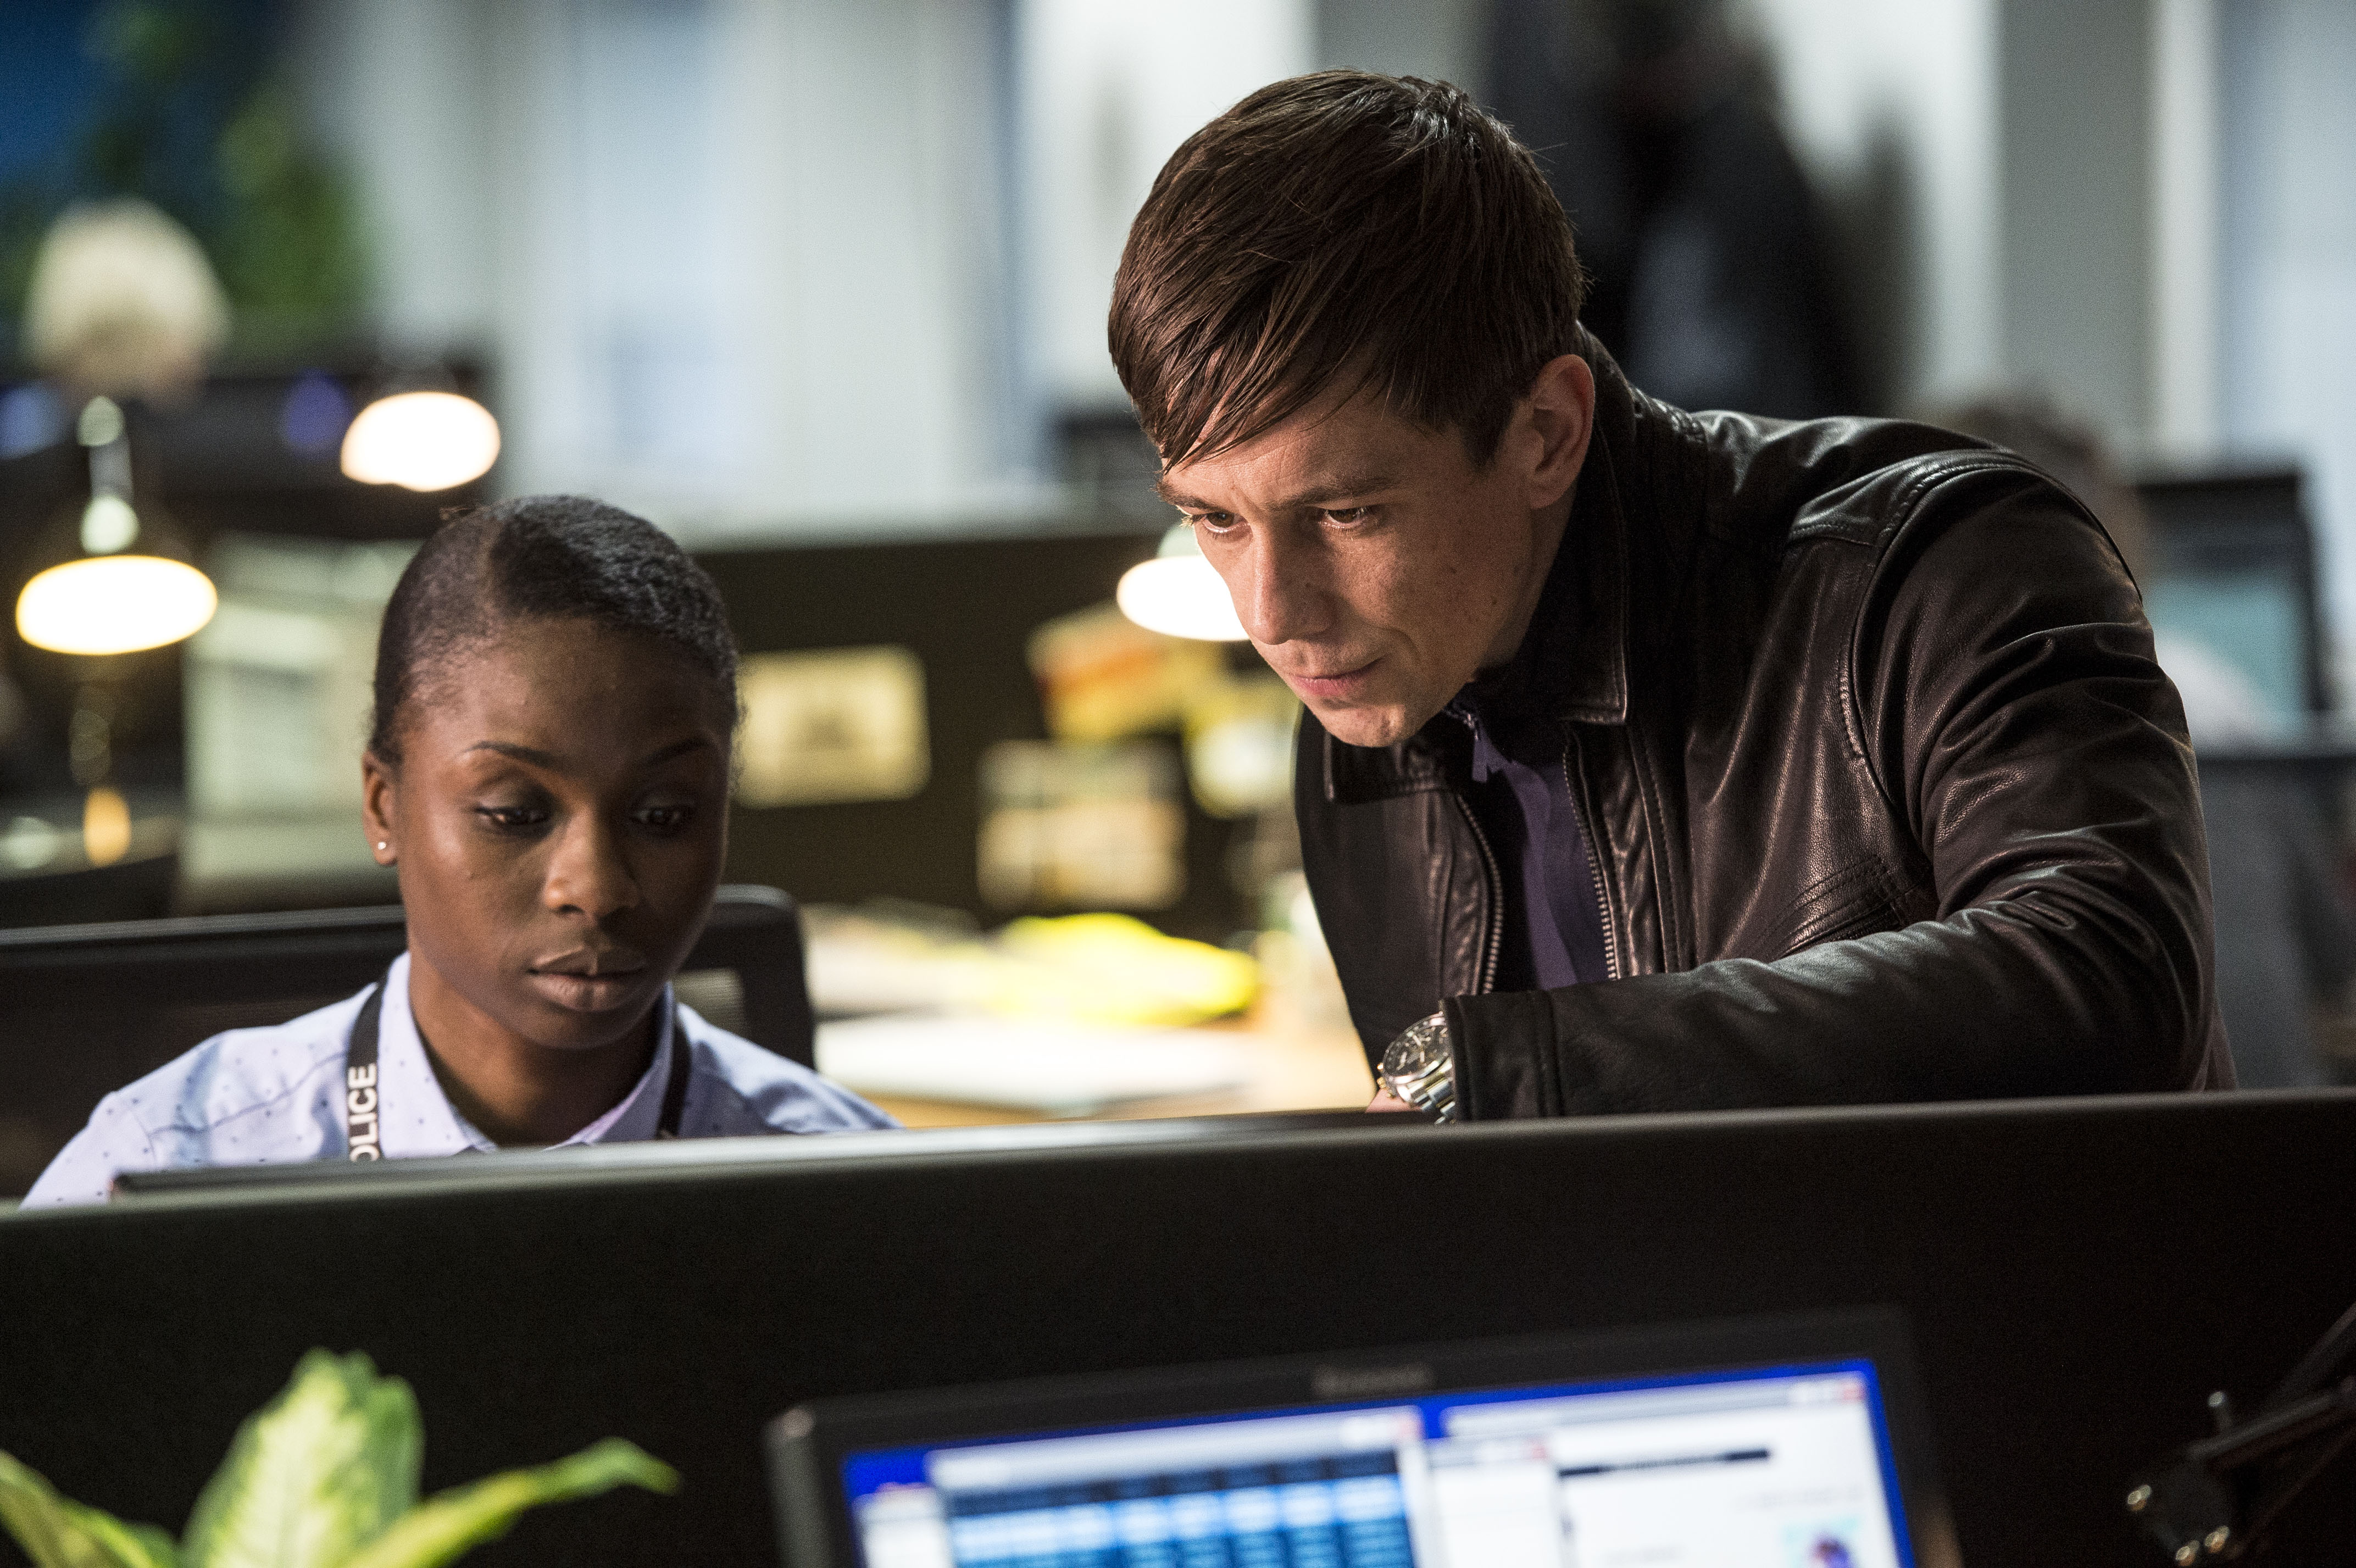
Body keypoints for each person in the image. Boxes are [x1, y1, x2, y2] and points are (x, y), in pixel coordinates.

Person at [1109, 71, 2232, 1120]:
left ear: (1546, 433)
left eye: (1347, 512)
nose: (1274, 615)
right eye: (1216, 519)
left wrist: (1526, 1066)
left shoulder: (1935, 567)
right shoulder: (1362, 725)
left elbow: (2110, 975)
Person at [24, 497, 892, 1205]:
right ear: (384, 806)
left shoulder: (850, 1188)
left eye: (664, 814)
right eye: (515, 813)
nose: (596, 886)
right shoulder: (169, 1167)